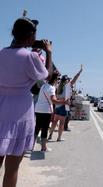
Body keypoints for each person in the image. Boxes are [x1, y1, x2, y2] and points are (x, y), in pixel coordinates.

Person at [0, 17, 52, 187]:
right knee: (12, 169)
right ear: (31, 36)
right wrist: (49, 52)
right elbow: (47, 76)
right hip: (20, 112)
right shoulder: (31, 57)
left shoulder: (1, 53)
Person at [34, 73, 69, 152]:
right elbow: (54, 101)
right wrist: (64, 102)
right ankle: (44, 147)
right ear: (55, 79)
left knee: (37, 127)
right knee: (44, 129)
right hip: (45, 111)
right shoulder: (51, 88)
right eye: (58, 79)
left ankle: (30, 145)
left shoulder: (44, 86)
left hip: (38, 109)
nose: (58, 81)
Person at [48, 65, 83, 141]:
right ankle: (59, 138)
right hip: (64, 106)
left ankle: (50, 135)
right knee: (61, 123)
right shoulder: (67, 86)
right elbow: (74, 79)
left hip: (57, 106)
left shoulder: (57, 86)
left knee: (54, 122)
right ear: (66, 80)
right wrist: (79, 72)